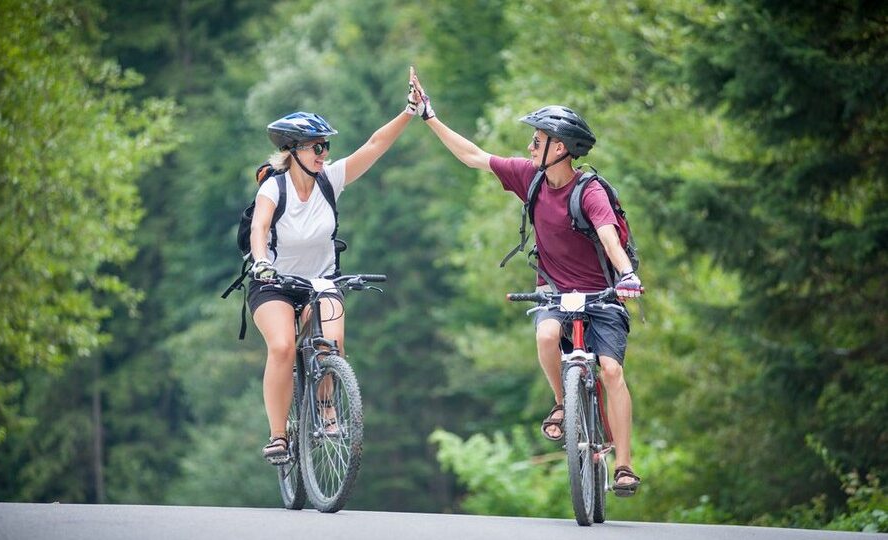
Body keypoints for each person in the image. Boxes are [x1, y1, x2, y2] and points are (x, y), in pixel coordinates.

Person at [409, 68, 644, 496]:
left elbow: (609, 237)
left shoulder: (588, 191)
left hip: (603, 294)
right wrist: (429, 117)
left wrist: (627, 276)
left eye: (537, 140)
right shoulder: (528, 177)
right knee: (546, 335)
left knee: (611, 370)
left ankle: (624, 465)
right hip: (555, 290)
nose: (529, 146)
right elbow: (473, 156)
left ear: (561, 149)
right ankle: (562, 403)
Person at [251, 74, 420, 464]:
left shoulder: (330, 180)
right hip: (273, 284)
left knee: (332, 343)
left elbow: (375, 146)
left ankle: (326, 408)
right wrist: (261, 263)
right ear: (292, 150)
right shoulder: (274, 189)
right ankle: (279, 435)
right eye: (317, 147)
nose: (324, 154)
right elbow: (259, 228)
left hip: (321, 281)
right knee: (281, 347)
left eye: (326, 146)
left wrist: (409, 111)